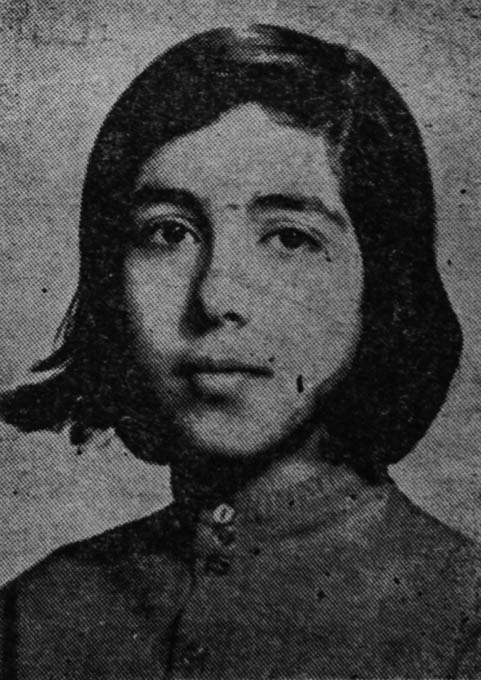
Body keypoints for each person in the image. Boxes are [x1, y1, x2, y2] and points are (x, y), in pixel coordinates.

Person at [0, 23, 480, 679]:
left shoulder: (462, 620)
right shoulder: (32, 619)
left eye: (289, 238)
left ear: (381, 282)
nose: (216, 296)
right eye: (169, 233)